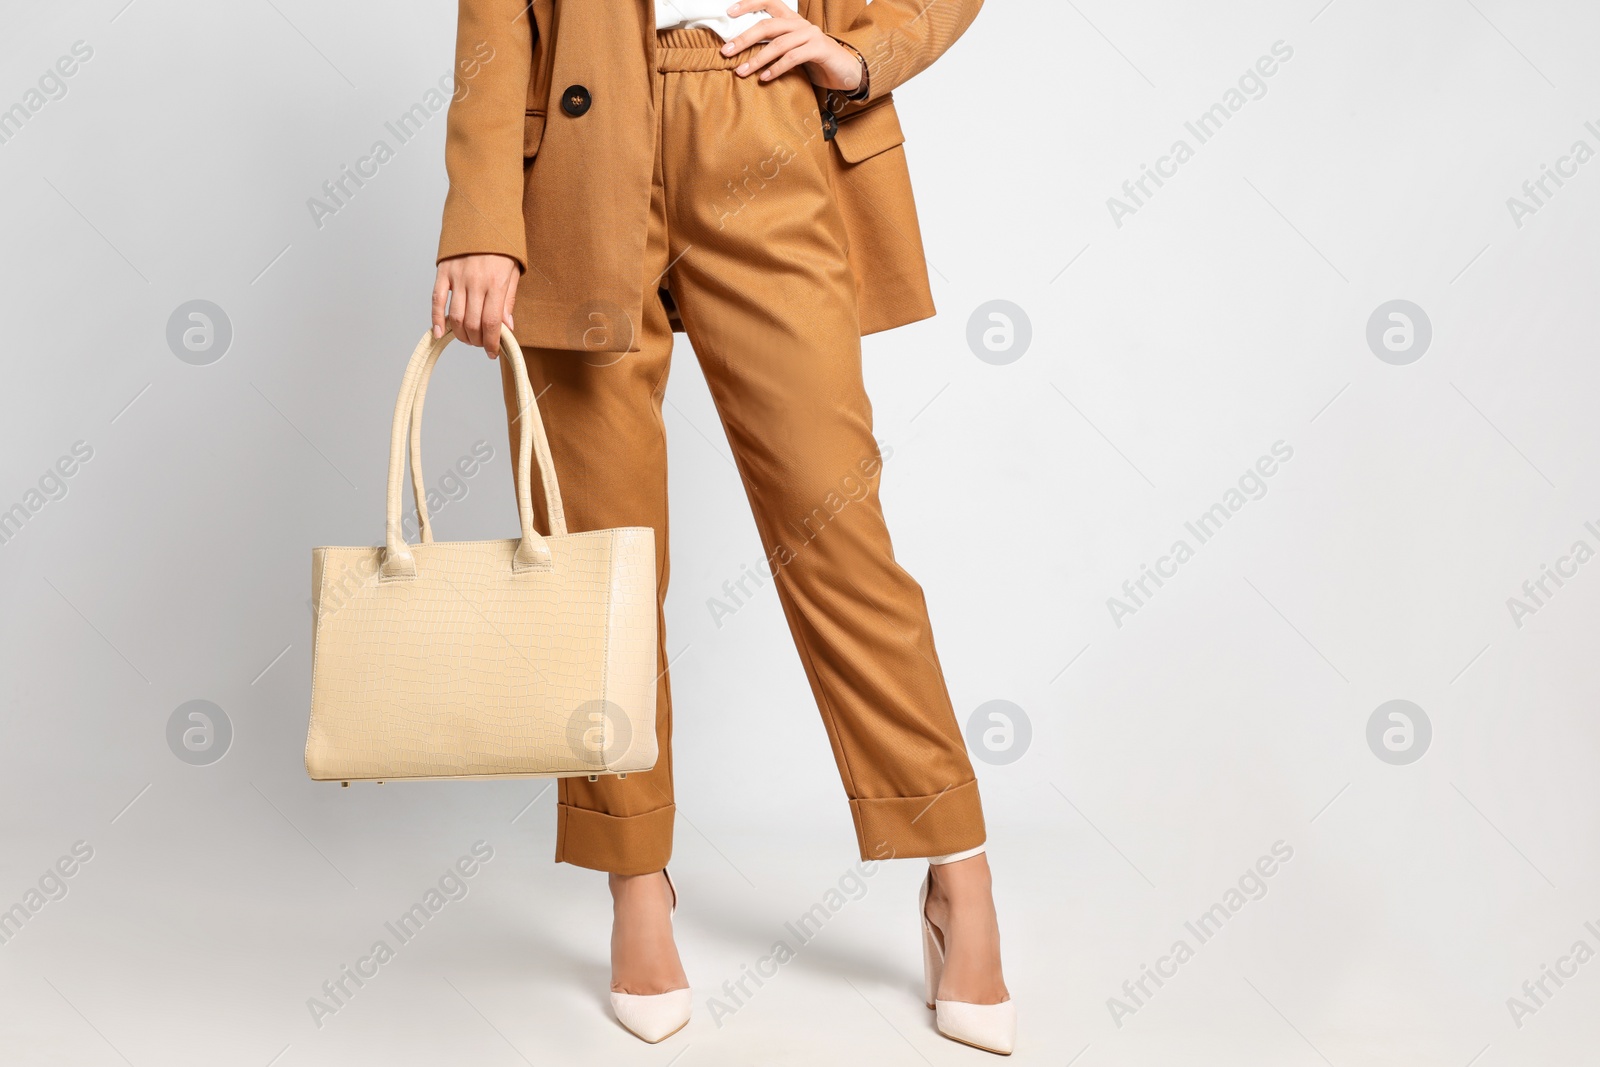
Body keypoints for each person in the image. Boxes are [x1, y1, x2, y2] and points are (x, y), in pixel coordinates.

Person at [430, 0, 1012, 1053]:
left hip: (763, 120)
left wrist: (863, 54)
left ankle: (956, 872)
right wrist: (480, 216)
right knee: (595, 561)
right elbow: (496, 22)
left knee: (838, 534)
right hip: (575, 150)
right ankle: (636, 880)